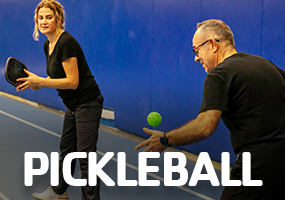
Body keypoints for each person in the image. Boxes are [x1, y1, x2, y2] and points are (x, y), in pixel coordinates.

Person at [135, 19, 285, 199]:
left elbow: (205, 126)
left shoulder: (220, 74)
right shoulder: (266, 64)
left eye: (196, 50)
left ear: (212, 44)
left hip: (258, 164)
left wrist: (165, 139)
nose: (196, 58)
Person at [17, 0, 103, 199]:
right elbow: (57, 77)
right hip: (73, 105)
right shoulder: (48, 44)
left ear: (59, 19)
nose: (44, 21)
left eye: (49, 17)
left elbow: (72, 82)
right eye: (40, 18)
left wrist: (42, 81)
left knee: (85, 157)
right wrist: (37, 83)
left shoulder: (66, 42)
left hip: (88, 103)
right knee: (66, 150)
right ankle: (59, 192)